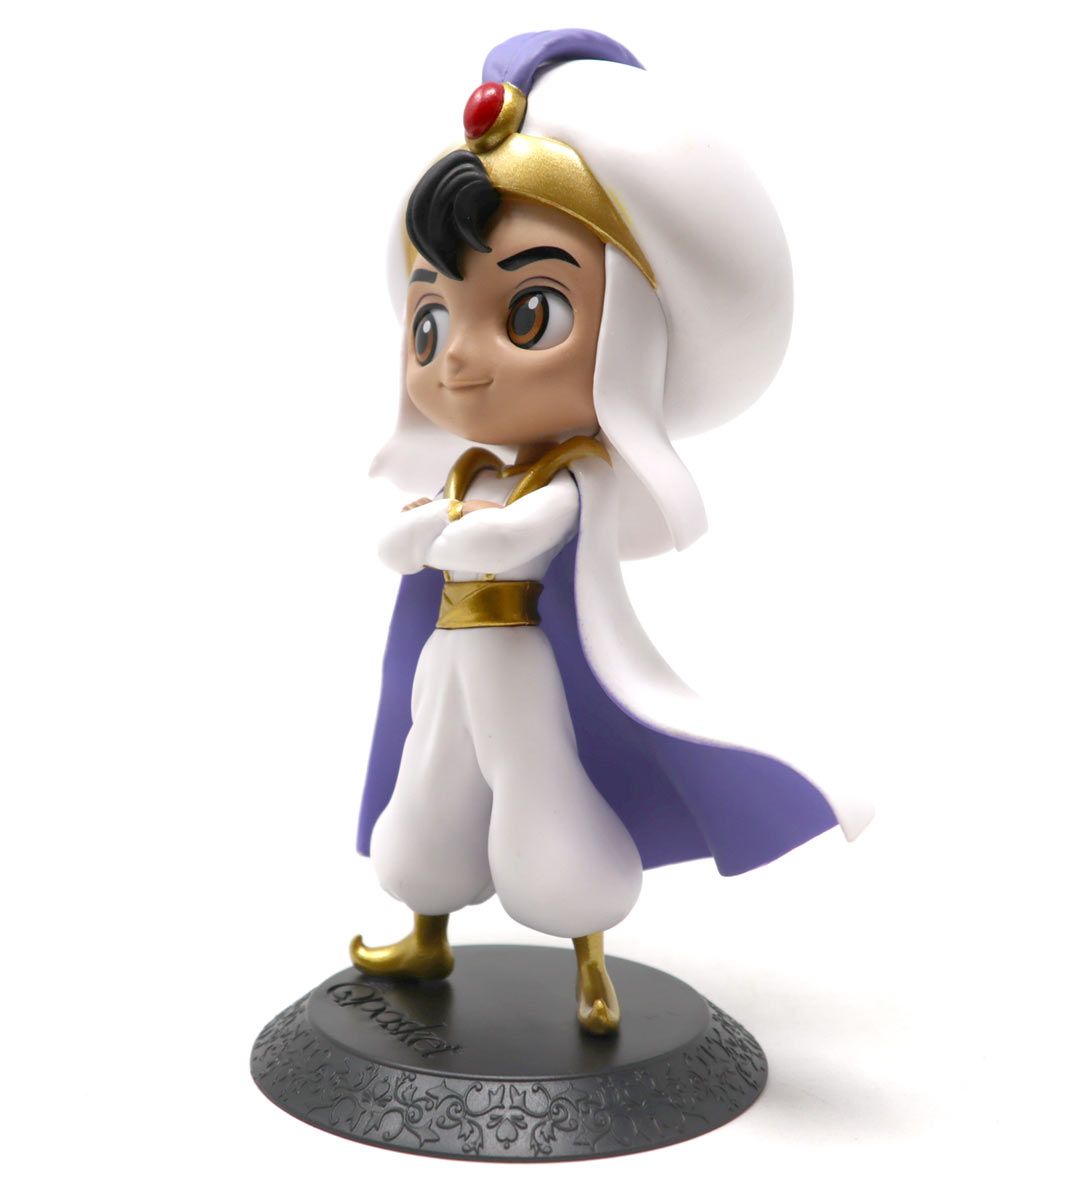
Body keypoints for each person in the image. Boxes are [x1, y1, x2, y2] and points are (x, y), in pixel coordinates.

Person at [351, 29, 872, 1035]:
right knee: (428, 783)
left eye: (528, 314)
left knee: (540, 790)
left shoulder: (571, 473)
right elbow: (405, 542)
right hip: (449, 663)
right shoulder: (470, 471)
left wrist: (444, 538)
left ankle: (589, 959)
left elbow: (507, 540)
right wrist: (425, 532)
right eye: (431, 322)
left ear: (624, 329)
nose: (456, 360)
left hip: (518, 662)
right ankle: (426, 927)